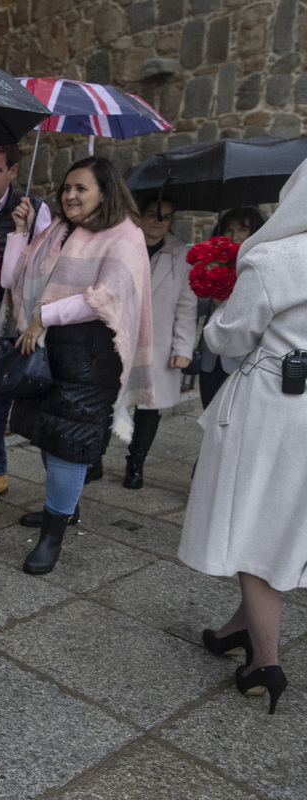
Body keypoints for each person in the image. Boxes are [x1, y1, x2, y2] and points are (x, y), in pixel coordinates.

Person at [177, 159, 307, 716]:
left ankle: (265, 660)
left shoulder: (277, 259)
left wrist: (222, 304)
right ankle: (238, 627)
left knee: (253, 527)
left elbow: (228, 339)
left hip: (270, 408)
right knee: (277, 520)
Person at [1, 157, 154, 574]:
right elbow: (9, 279)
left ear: (105, 191)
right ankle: (65, 509)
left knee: (68, 442)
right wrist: (19, 232)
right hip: (48, 349)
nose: (70, 195)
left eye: (81, 188)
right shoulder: (57, 231)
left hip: (90, 355)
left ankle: (53, 536)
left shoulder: (125, 236)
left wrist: (43, 316)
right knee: (49, 436)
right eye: (67, 187)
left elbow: (106, 297)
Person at [0, 143, 53, 497]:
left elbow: (48, 268)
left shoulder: (34, 209)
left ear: (13, 171)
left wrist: (29, 229)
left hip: (8, 326)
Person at [121, 197, 197, 489]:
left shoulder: (181, 255)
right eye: (152, 214)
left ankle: (136, 463)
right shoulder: (125, 244)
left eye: (165, 217)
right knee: (107, 399)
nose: (158, 222)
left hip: (160, 342)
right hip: (122, 336)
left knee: (150, 405)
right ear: (140, 215)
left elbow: (187, 308)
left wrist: (182, 349)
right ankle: (93, 460)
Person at [198, 206, 266, 409]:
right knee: (207, 410)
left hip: (243, 359)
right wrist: (207, 279)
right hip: (211, 357)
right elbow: (199, 310)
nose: (234, 236)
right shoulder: (214, 263)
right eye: (228, 229)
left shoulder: (260, 267)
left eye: (242, 229)